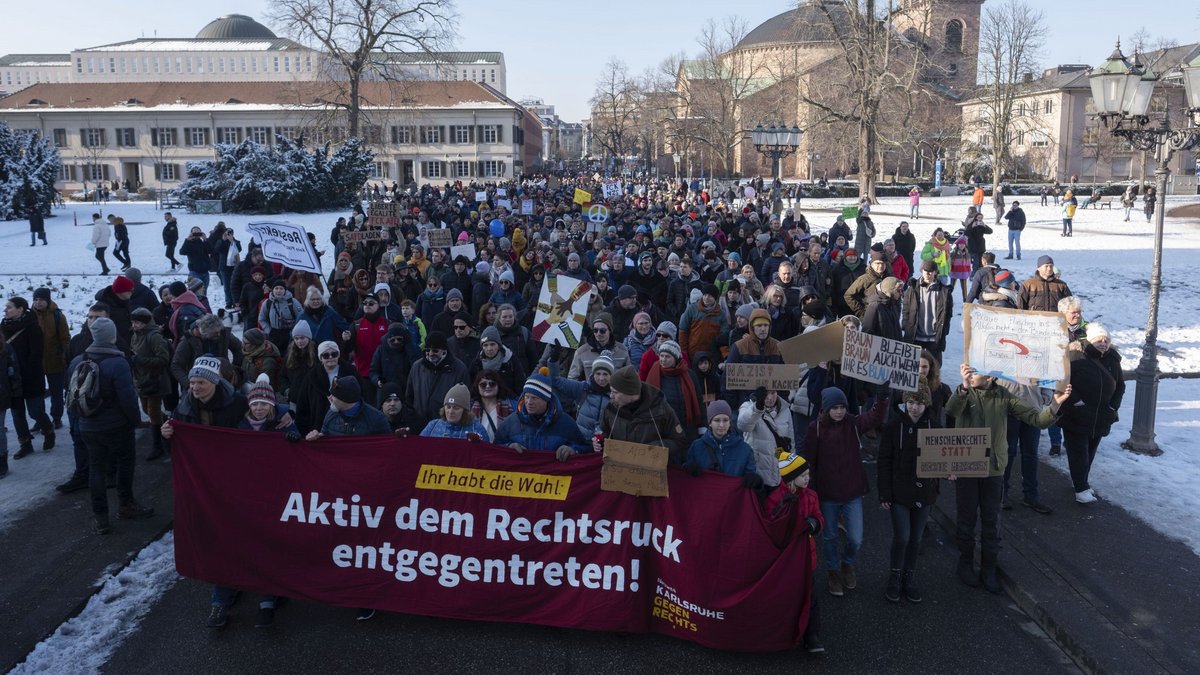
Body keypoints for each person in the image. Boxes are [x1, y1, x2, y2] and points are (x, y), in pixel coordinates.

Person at [945, 363, 1070, 594]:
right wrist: (963, 386)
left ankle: (989, 566)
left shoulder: (1004, 395)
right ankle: (965, 561)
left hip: (994, 467)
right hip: (967, 467)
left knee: (992, 519)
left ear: (990, 374)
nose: (971, 376)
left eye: (975, 372)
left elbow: (1035, 418)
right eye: (969, 373)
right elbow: (951, 411)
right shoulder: (964, 392)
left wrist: (1055, 403)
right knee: (966, 517)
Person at [68, 317, 154, 535]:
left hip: (87, 425)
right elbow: (127, 399)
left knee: (96, 469)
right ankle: (126, 505)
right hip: (116, 426)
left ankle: (101, 518)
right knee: (125, 463)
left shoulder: (78, 360)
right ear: (113, 336)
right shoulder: (118, 363)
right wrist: (136, 422)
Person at [804, 385, 888, 597]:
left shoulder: (852, 423)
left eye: (842, 406)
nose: (839, 411)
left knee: (856, 538)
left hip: (852, 492)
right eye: (835, 407)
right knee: (830, 537)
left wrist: (882, 398)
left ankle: (847, 563)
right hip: (827, 494)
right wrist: (810, 491)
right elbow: (809, 463)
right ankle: (833, 570)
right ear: (826, 409)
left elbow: (874, 418)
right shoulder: (815, 429)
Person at [878, 381, 939, 603]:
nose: (914, 408)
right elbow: (883, 461)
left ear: (926, 404)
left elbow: (942, 459)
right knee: (902, 537)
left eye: (919, 403)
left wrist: (948, 473)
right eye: (911, 402)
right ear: (905, 402)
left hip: (924, 493)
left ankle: (909, 576)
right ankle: (895, 575)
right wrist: (884, 493)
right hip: (899, 493)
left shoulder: (934, 426)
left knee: (916, 539)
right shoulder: (895, 426)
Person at [764, 453, 824, 653]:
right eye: (803, 475)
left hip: (807, 556)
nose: (808, 478)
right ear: (790, 477)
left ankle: (811, 634)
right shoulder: (775, 498)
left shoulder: (811, 496)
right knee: (787, 595)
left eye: (808, 474)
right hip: (785, 559)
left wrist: (814, 524)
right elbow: (770, 526)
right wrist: (782, 509)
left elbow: (818, 518)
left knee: (810, 596)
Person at [1061, 324, 1124, 504]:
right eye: (1099, 340)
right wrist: (1077, 402)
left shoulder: (1113, 358)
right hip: (1077, 413)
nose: (1103, 343)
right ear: (1090, 341)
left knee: (1089, 451)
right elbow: (1063, 380)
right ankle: (1081, 488)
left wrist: (1113, 407)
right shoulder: (1075, 356)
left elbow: (1120, 385)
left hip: (1102, 415)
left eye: (1106, 340)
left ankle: (1082, 481)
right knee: (1078, 451)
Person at [596, 366, 688, 464]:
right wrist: (600, 442)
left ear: (630, 393)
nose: (611, 396)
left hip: (650, 469)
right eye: (611, 391)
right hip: (620, 469)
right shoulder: (611, 408)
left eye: (615, 392)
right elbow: (606, 433)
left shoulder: (660, 408)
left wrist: (653, 449)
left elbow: (679, 441)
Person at [494, 372, 589, 460]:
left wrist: (573, 450)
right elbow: (495, 448)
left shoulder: (566, 423)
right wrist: (508, 447)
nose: (529, 402)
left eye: (534, 398)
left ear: (546, 400)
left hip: (553, 476)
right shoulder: (511, 422)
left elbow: (586, 448)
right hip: (522, 477)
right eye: (526, 397)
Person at [4, 297, 55, 457]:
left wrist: (21, 370)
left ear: (20, 309)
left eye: (9, 307)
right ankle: (25, 443)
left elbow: (36, 355)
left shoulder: (33, 328)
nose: (5, 310)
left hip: (31, 378)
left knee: (35, 412)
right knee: (17, 414)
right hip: (11, 379)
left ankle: (48, 430)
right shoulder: (3, 327)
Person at [683, 400, 761, 488]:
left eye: (725, 420)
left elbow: (750, 475)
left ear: (730, 422)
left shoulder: (745, 449)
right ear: (710, 423)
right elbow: (687, 482)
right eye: (717, 420)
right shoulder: (697, 447)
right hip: (706, 498)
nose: (721, 425)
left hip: (733, 499)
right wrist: (687, 468)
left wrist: (753, 480)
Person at [129, 308, 172, 461]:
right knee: (148, 411)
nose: (134, 325)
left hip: (155, 381)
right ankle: (168, 423)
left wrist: (139, 360)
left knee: (153, 412)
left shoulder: (154, 337)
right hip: (141, 380)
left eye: (138, 322)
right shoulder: (135, 335)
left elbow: (163, 360)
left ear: (146, 322)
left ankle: (158, 446)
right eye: (133, 322)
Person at [405, 331, 470, 431]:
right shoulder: (417, 367)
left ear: (444, 351)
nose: (430, 354)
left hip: (446, 426)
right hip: (419, 425)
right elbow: (409, 396)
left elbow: (465, 400)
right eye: (427, 350)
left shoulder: (459, 369)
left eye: (435, 350)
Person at [737, 387, 793, 489]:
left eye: (773, 392)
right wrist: (757, 408)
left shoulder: (785, 410)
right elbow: (743, 425)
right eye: (766, 394)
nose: (770, 397)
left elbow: (791, 441)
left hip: (779, 475)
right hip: (758, 474)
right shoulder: (747, 406)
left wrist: (791, 471)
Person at [902, 261, 954, 365]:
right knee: (911, 366)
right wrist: (906, 326)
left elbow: (948, 314)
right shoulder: (912, 289)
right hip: (915, 336)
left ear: (936, 272)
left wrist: (944, 330)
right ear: (921, 271)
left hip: (934, 337)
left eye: (931, 272)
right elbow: (906, 310)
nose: (928, 274)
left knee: (935, 368)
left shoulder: (944, 291)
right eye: (925, 271)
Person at [31, 288, 70, 429]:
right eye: (35, 299)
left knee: (56, 392)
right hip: (36, 362)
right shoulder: (29, 316)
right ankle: (40, 419)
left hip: (55, 360)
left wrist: (66, 356)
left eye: (41, 299)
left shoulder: (58, 315)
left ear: (47, 300)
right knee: (37, 393)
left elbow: (65, 338)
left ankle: (56, 417)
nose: (38, 302)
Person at [420, 384, 488, 440]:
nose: (451, 411)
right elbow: (419, 446)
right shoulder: (433, 426)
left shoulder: (476, 429)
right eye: (448, 407)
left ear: (465, 411)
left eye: (456, 408)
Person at [470, 369, 517, 441]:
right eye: (483, 385)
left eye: (492, 384)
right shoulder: (470, 407)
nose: (487, 387)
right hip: (477, 449)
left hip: (500, 449)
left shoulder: (511, 406)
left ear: (498, 386)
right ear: (477, 387)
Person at [180, 226, 213, 294]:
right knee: (195, 293)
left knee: (203, 292)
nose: (196, 235)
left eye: (198, 233)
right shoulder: (189, 243)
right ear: (191, 234)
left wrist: (206, 240)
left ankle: (203, 304)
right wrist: (187, 240)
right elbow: (182, 252)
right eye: (194, 233)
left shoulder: (203, 242)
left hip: (205, 272)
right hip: (195, 272)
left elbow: (211, 251)